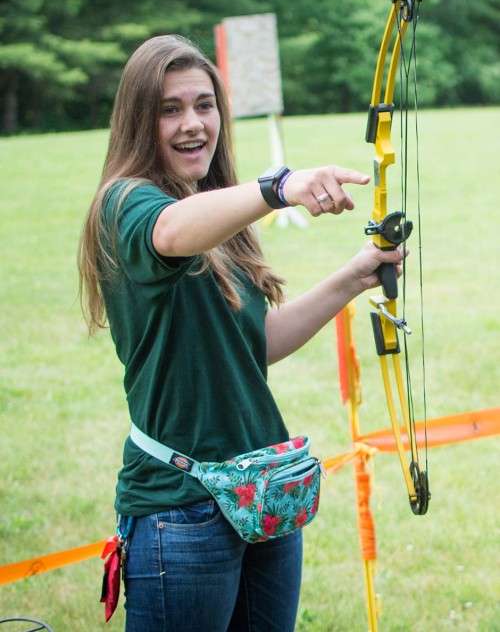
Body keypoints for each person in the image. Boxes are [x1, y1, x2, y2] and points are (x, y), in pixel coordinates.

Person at [78, 34, 403, 632]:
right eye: (169, 109)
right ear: (136, 121)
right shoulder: (126, 204)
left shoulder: (215, 207)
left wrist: (354, 277)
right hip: (180, 509)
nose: (193, 124)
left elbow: (254, 346)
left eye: (204, 105)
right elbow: (170, 234)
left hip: (263, 494)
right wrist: (277, 188)